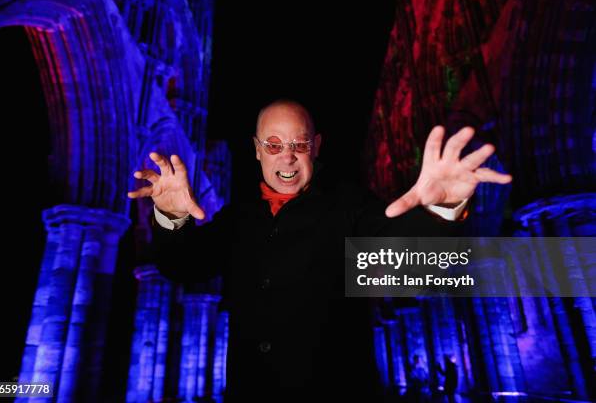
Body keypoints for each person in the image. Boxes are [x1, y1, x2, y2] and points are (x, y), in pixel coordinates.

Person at [127, 100, 511, 402]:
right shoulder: (238, 215)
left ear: (317, 147)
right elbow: (184, 265)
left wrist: (443, 208)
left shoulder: (349, 206)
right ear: (257, 150)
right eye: (274, 145)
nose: (287, 155)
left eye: (299, 144)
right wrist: (171, 216)